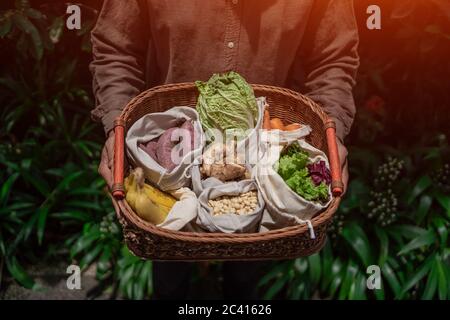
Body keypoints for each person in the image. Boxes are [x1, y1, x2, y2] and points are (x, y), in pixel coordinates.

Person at [90, 0, 359, 299]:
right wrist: (118, 125)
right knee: (168, 264)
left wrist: (330, 130)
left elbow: (332, 59)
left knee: (247, 270)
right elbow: (117, 48)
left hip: (262, 155)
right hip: (166, 150)